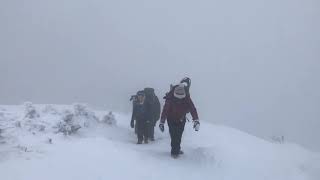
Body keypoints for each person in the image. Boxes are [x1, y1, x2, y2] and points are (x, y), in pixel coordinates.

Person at [159, 83, 200, 158]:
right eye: (178, 98)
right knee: (174, 135)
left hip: (181, 119)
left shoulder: (187, 98)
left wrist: (196, 120)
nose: (179, 99)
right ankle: (174, 152)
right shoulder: (170, 98)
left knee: (179, 135)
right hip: (171, 119)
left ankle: (176, 149)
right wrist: (162, 122)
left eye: (181, 98)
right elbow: (165, 110)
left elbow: (192, 108)